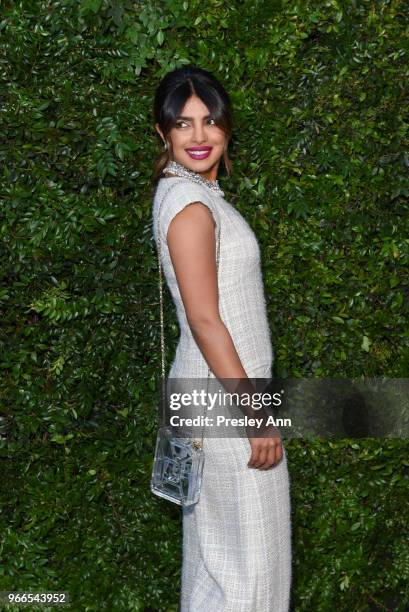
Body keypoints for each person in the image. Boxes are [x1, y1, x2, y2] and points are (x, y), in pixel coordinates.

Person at [151, 65, 292, 612]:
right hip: (227, 405)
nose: (200, 135)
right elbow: (206, 320)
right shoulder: (190, 207)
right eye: (182, 124)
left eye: (209, 120)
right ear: (162, 133)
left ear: (227, 126)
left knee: (222, 567)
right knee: (250, 574)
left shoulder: (189, 195)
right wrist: (256, 415)